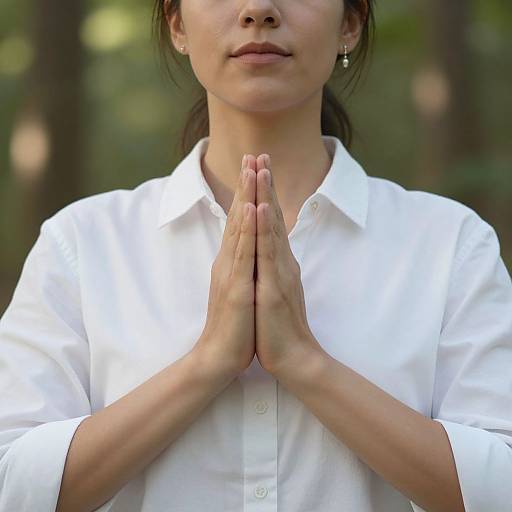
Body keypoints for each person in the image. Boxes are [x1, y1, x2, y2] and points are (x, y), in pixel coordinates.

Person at [1, 1, 511, 511]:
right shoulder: (83, 244)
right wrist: (207, 363)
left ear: (349, 25)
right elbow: (13, 485)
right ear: (178, 24)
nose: (259, 9)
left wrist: (304, 363)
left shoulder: (451, 245)